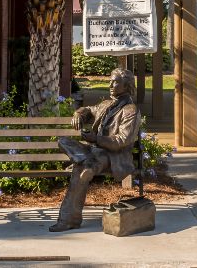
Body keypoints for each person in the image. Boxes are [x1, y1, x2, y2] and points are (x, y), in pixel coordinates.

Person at [49, 68, 141, 232]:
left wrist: (96, 139)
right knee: (63, 141)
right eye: (110, 81)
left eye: (116, 82)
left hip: (112, 156)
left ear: (126, 86)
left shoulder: (130, 111)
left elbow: (122, 140)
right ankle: (86, 162)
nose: (111, 85)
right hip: (93, 151)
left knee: (81, 170)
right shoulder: (106, 104)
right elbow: (90, 110)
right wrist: (79, 113)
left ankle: (69, 219)